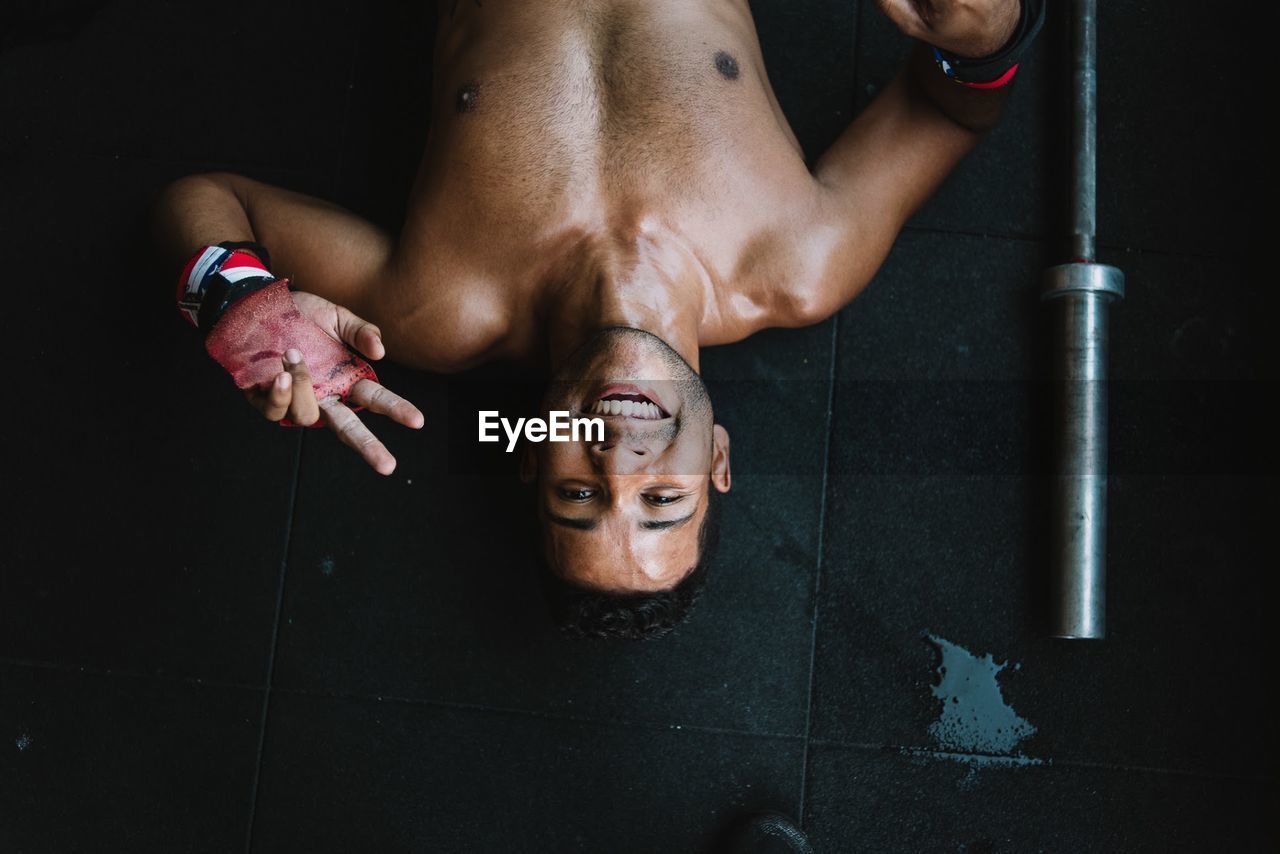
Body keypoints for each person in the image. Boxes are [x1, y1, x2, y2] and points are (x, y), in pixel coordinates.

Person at [154, 0, 1043, 638]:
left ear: (532, 446)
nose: (622, 461)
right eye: (663, 499)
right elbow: (946, 112)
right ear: (719, 458)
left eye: (577, 493)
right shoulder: (798, 264)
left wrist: (242, 309)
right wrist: (991, 36)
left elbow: (207, 198)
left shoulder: (436, 305)